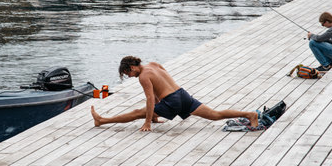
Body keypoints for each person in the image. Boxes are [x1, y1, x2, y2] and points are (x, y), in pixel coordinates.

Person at [91, 56, 259, 131]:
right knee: (215, 114)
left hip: (172, 101)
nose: (130, 76)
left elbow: (150, 99)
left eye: (128, 74)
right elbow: (161, 86)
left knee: (138, 113)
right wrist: (157, 113)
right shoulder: (154, 65)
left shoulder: (143, 76)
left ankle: (102, 120)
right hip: (182, 95)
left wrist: (148, 122)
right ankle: (250, 114)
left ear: (132, 68)